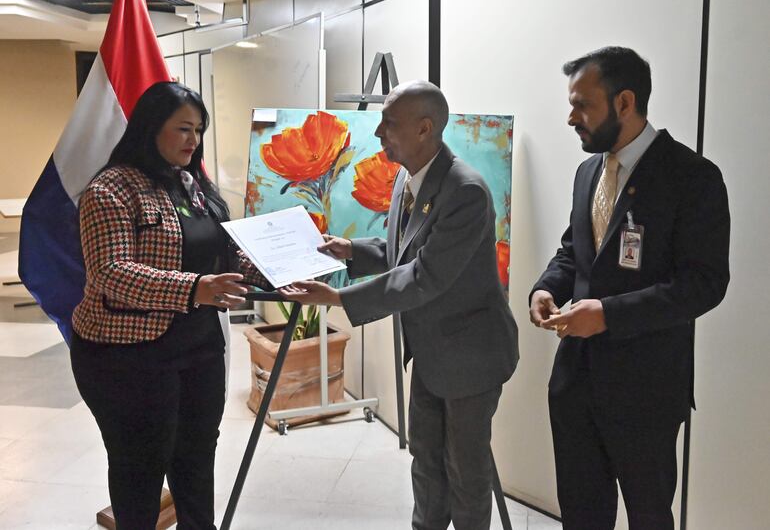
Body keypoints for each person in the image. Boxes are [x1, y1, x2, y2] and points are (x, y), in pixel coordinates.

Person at [281, 80, 519, 530]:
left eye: (389, 124)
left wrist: (338, 298)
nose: (378, 134)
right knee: (426, 466)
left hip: (471, 358)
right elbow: (406, 251)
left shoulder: (465, 190)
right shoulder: (409, 179)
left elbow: (426, 275)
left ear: (424, 128)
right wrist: (352, 249)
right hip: (432, 353)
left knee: (466, 476)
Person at [529, 47, 730, 529]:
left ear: (624, 102)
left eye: (582, 104)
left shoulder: (693, 177)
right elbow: (572, 252)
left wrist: (608, 315)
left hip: (646, 392)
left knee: (648, 515)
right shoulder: (588, 173)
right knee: (581, 513)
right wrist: (545, 288)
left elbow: (705, 284)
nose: (571, 117)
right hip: (575, 384)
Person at [70, 81, 271, 529]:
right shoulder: (111, 189)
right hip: (128, 356)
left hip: (199, 348)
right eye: (183, 129)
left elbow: (223, 255)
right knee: (139, 469)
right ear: (150, 127)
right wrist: (193, 288)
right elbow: (110, 272)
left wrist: (275, 269)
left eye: (199, 130)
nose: (193, 141)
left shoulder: (194, 184)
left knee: (196, 460)